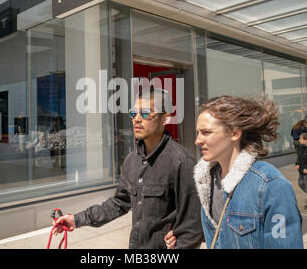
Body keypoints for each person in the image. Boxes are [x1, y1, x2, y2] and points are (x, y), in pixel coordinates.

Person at [52, 89, 203, 249]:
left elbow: (192, 226)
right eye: (133, 113)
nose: (137, 119)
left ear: (164, 119)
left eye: (145, 113)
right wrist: (77, 219)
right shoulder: (132, 160)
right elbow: (118, 203)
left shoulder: (182, 162)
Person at [165, 95, 303, 249]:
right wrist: (182, 236)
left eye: (206, 132)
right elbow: (220, 232)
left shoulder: (271, 186)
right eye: (198, 132)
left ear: (234, 134)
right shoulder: (206, 181)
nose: (197, 140)